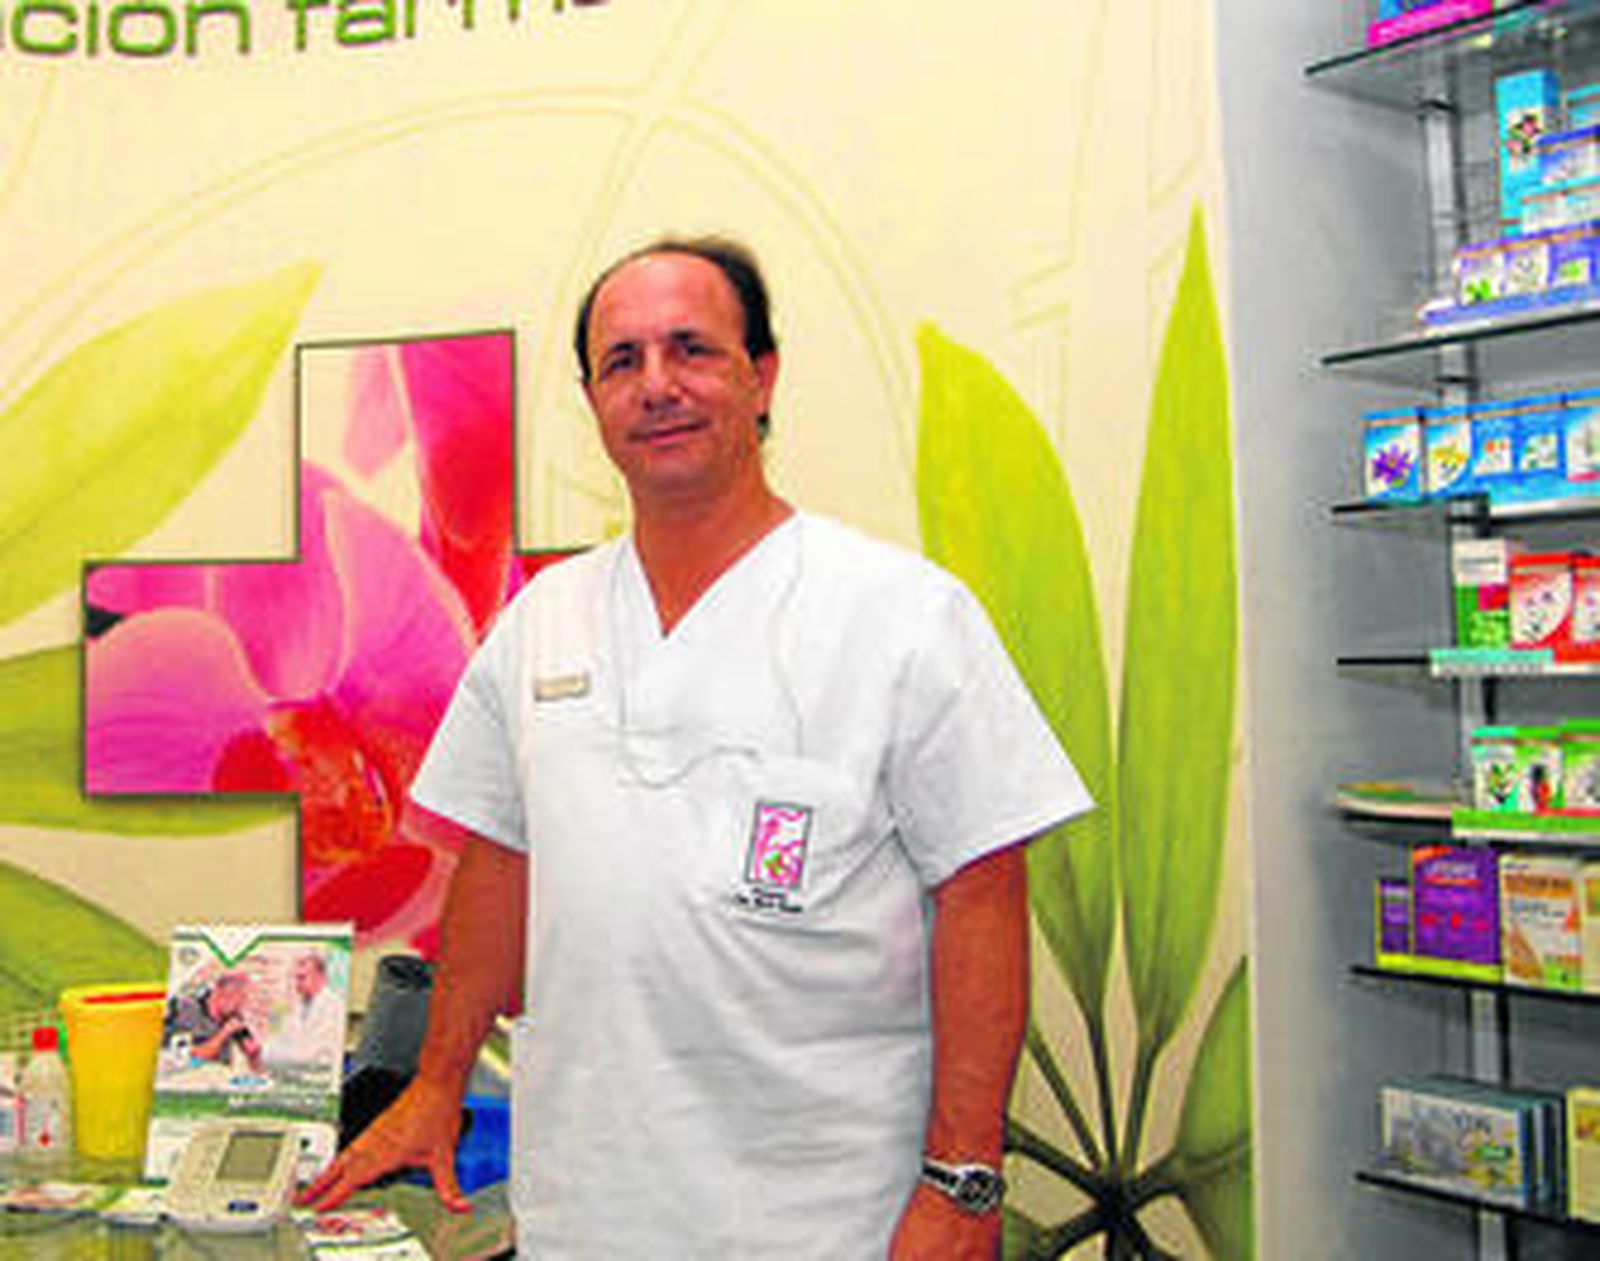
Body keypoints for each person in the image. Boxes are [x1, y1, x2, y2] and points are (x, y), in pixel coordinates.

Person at [301, 236, 1092, 1258]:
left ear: (762, 377)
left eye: (692, 349)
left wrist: (963, 1180)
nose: (657, 385)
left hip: (830, 1217)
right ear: (593, 402)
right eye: (621, 361)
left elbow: (982, 893)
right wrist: (437, 1081)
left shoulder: (901, 616)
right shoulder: (541, 622)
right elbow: (500, 860)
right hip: (587, 1211)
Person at [163, 971, 263, 1073]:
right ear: (218, 992)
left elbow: (255, 1069)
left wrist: (253, 1055)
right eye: (235, 999)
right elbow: (190, 1056)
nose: (239, 1006)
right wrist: (224, 1033)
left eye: (242, 1001)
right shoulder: (186, 1010)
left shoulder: (232, 1017)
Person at [265, 952, 344, 1068]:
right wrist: (277, 1010)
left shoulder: (334, 1006)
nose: (296, 983)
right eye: (295, 978)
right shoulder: (294, 1005)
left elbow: (312, 1054)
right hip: (292, 1071)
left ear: (320, 977)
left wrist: (278, 1054)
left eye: (302, 978)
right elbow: (272, 1043)